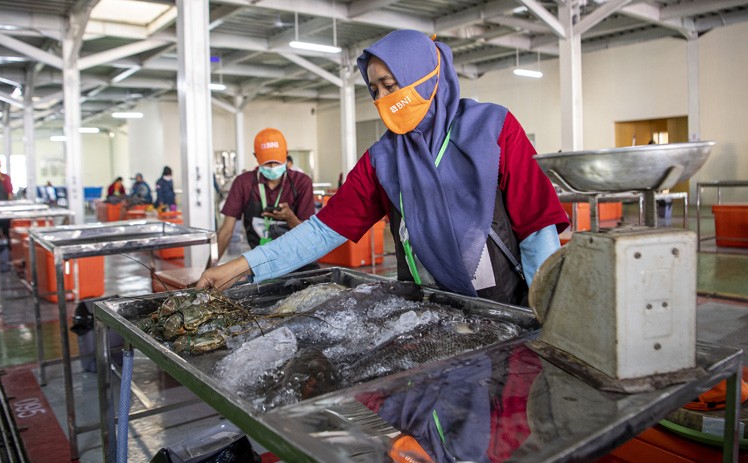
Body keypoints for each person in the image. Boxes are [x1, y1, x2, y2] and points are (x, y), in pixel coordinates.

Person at [198, 30, 568, 306]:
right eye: (374, 90)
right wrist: (241, 267)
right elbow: (322, 231)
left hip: (503, 306)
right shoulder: (383, 159)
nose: (383, 100)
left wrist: (546, 314)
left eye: (390, 85)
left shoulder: (493, 129)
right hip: (426, 310)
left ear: (426, 77)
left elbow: (537, 228)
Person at [211, 128, 317, 271]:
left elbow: (308, 236)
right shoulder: (244, 183)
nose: (273, 167)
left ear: (286, 155)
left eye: (277, 162)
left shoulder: (302, 183)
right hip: (261, 263)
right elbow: (226, 231)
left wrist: (290, 217)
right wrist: (208, 270)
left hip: (298, 262)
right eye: (267, 163)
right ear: (256, 157)